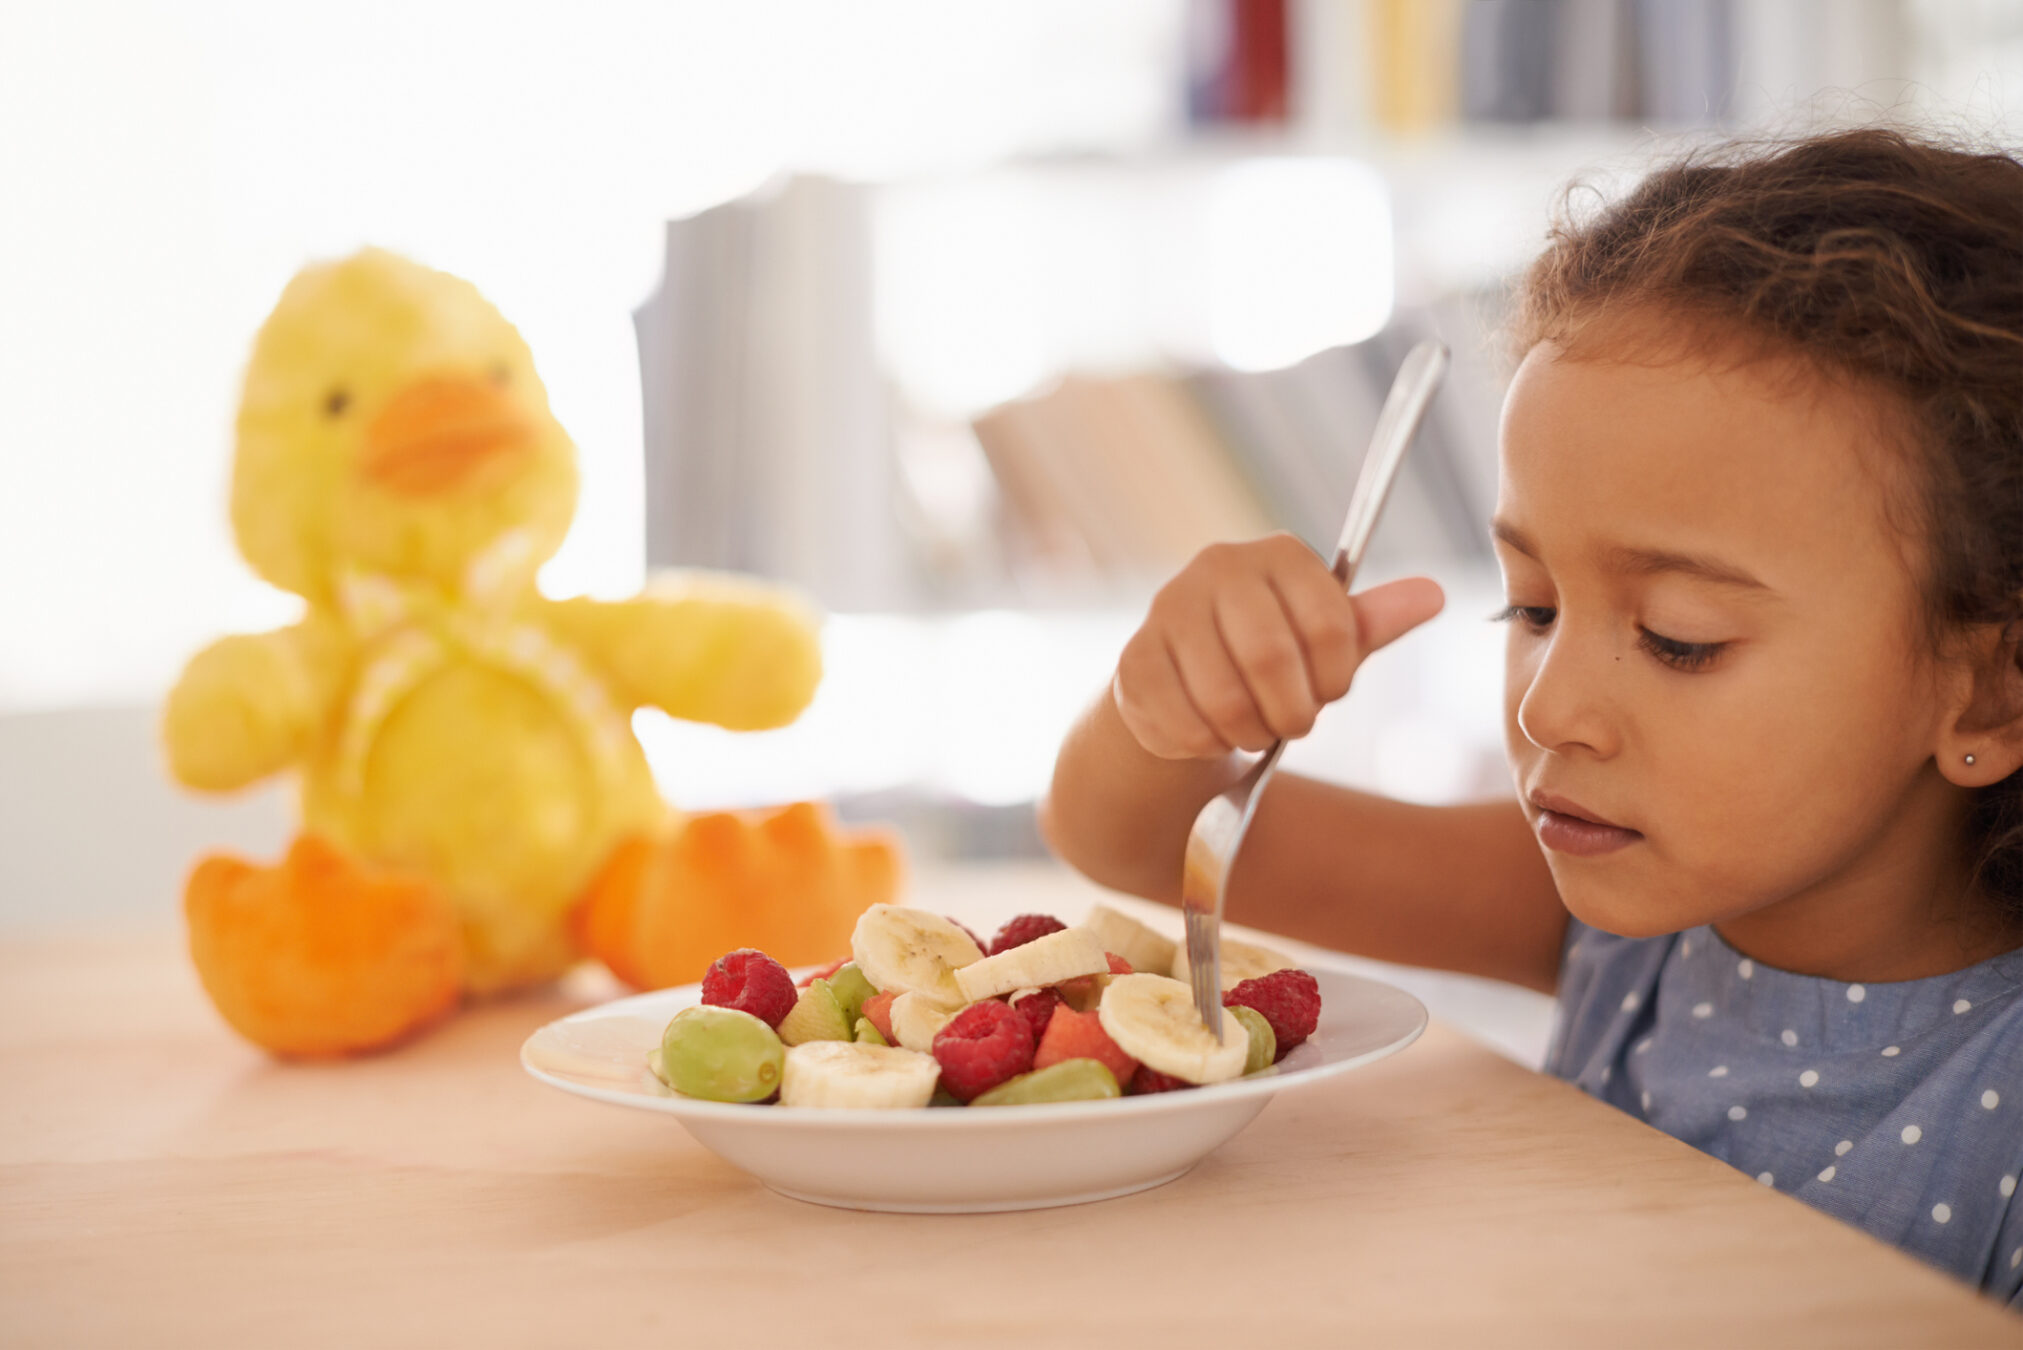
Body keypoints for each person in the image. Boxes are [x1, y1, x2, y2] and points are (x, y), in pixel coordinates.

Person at [1041, 126, 2023, 1304]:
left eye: (1678, 638)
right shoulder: (1621, 927)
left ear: (1986, 691)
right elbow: (1136, 834)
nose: (1552, 707)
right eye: (1533, 607)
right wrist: (1173, 696)